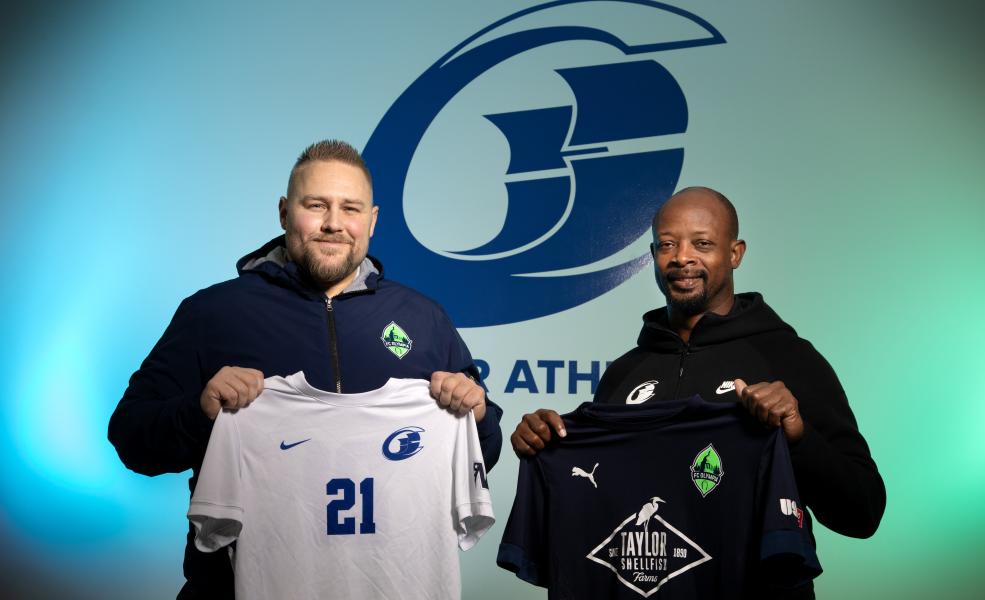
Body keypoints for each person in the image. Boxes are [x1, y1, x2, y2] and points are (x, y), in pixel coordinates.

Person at [108, 139, 502, 599]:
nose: (333, 223)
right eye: (316, 205)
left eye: (349, 208)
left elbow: (479, 454)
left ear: (371, 221)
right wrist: (200, 413)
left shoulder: (423, 319)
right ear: (284, 212)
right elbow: (131, 437)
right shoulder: (212, 313)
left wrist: (476, 416)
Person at [509, 186, 885, 597]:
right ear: (653, 255)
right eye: (667, 244)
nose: (682, 257)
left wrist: (798, 436)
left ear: (735, 253)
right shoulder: (624, 373)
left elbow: (863, 513)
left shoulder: (789, 358)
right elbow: (603, 508)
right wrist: (546, 441)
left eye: (702, 244)